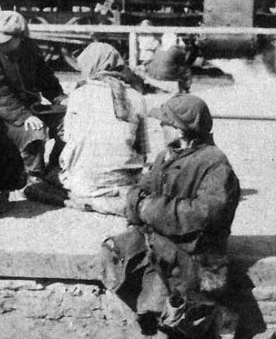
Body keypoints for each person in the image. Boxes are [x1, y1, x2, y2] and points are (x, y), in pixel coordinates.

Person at [106, 94, 240, 338]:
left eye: (165, 123)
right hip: (163, 241)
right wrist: (139, 203)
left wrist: (150, 209)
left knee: (179, 306)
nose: (160, 127)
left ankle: (183, 322)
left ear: (180, 130)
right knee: (116, 253)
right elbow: (140, 189)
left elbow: (205, 213)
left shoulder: (215, 164)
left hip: (195, 251)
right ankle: (153, 319)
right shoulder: (167, 156)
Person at [0, 10, 67, 205]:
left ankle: (56, 168)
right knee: (33, 131)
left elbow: (45, 78)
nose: (0, 43)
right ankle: (35, 178)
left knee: (68, 121)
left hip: (28, 108)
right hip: (0, 112)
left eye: (6, 40)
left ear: (20, 38)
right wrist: (24, 116)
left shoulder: (29, 49)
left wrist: (59, 98)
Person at [59, 42, 152, 216]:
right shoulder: (137, 97)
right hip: (125, 181)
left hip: (84, 183)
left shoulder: (78, 95)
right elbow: (143, 148)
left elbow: (68, 138)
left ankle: (89, 200)